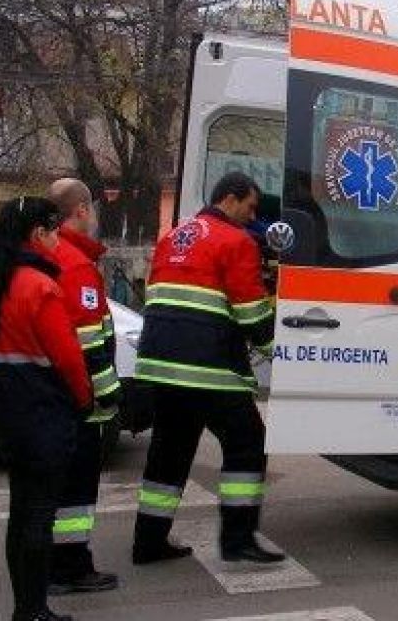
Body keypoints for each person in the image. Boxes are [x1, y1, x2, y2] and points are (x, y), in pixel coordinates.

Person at [131, 172, 283, 565]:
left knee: (168, 452)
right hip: (207, 368)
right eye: (250, 207)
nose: (253, 217)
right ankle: (238, 541)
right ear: (230, 199)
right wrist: (281, 354)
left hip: (160, 365)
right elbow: (250, 311)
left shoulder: (173, 236)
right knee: (247, 443)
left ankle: (148, 543)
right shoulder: (236, 241)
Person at [0, 197, 93, 621]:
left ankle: (24, 608)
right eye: (53, 233)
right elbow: (69, 359)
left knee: (21, 514)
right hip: (44, 414)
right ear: (37, 234)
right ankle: (34, 611)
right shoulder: (39, 286)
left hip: (11, 413)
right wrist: (84, 400)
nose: (57, 241)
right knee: (39, 517)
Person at [44, 179, 121, 594]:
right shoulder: (75, 264)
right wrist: (108, 397)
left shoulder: (48, 252)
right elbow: (89, 343)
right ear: (82, 210)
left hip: (53, 395)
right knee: (77, 485)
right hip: (79, 399)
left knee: (59, 484)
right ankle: (70, 566)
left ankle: (60, 562)